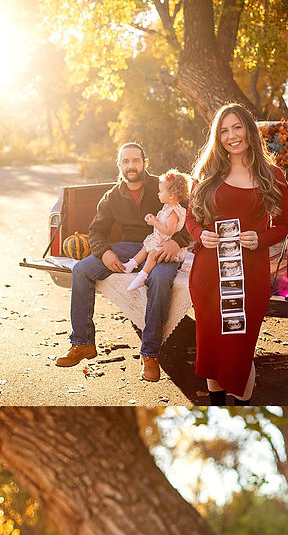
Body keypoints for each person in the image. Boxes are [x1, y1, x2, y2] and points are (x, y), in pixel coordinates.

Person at [55, 142, 191, 383]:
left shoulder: (163, 185)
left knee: (160, 280)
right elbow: (96, 231)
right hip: (128, 247)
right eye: (125, 161)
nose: (131, 166)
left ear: (144, 163)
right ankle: (83, 342)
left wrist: (177, 242)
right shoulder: (112, 196)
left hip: (161, 248)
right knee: (81, 270)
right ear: (119, 165)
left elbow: (191, 216)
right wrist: (105, 252)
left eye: (135, 160)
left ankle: (149, 354)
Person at [184, 103, 288, 405]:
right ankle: (217, 406)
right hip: (210, 275)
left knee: (239, 348)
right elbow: (191, 219)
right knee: (213, 348)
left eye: (237, 127)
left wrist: (260, 239)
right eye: (224, 131)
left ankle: (241, 403)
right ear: (217, 137)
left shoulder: (273, 175)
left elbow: (283, 226)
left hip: (250, 276)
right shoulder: (207, 173)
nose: (231, 136)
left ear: (249, 130)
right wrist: (199, 235)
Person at [125, 169, 191, 291]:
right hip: (160, 239)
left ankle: (142, 276)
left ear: (171, 195)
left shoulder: (174, 212)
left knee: (152, 254)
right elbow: (163, 222)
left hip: (167, 244)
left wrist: (154, 223)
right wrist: (154, 218)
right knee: (145, 247)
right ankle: (131, 264)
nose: (158, 194)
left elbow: (169, 231)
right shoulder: (167, 207)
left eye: (160, 192)